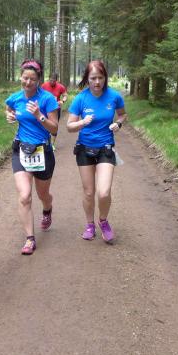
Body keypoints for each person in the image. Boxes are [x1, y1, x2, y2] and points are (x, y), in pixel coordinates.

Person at [66, 60, 126, 243]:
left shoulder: (114, 96)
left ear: (105, 78)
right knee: (89, 192)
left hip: (106, 148)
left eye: (100, 77)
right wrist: (82, 122)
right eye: (93, 78)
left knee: (104, 192)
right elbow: (69, 126)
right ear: (87, 78)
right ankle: (89, 224)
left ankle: (103, 221)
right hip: (84, 149)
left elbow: (123, 114)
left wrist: (118, 123)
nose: (97, 82)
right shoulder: (80, 99)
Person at [5, 59, 59, 255]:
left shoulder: (47, 99)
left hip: (43, 151)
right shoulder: (15, 98)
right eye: (25, 78)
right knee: (25, 196)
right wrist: (10, 116)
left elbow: (54, 129)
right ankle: (30, 239)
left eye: (32, 79)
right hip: (21, 150)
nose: (28, 82)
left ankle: (47, 209)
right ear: (20, 77)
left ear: (38, 81)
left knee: (43, 194)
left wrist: (39, 115)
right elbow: (8, 108)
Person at [40, 72, 68, 148]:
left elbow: (65, 95)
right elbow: (39, 95)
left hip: (55, 109)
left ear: (56, 80)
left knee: (54, 126)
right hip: (45, 109)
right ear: (49, 79)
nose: (52, 82)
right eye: (51, 80)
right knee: (44, 124)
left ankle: (52, 144)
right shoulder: (44, 86)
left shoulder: (60, 87)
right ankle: (44, 142)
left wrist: (62, 101)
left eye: (54, 81)